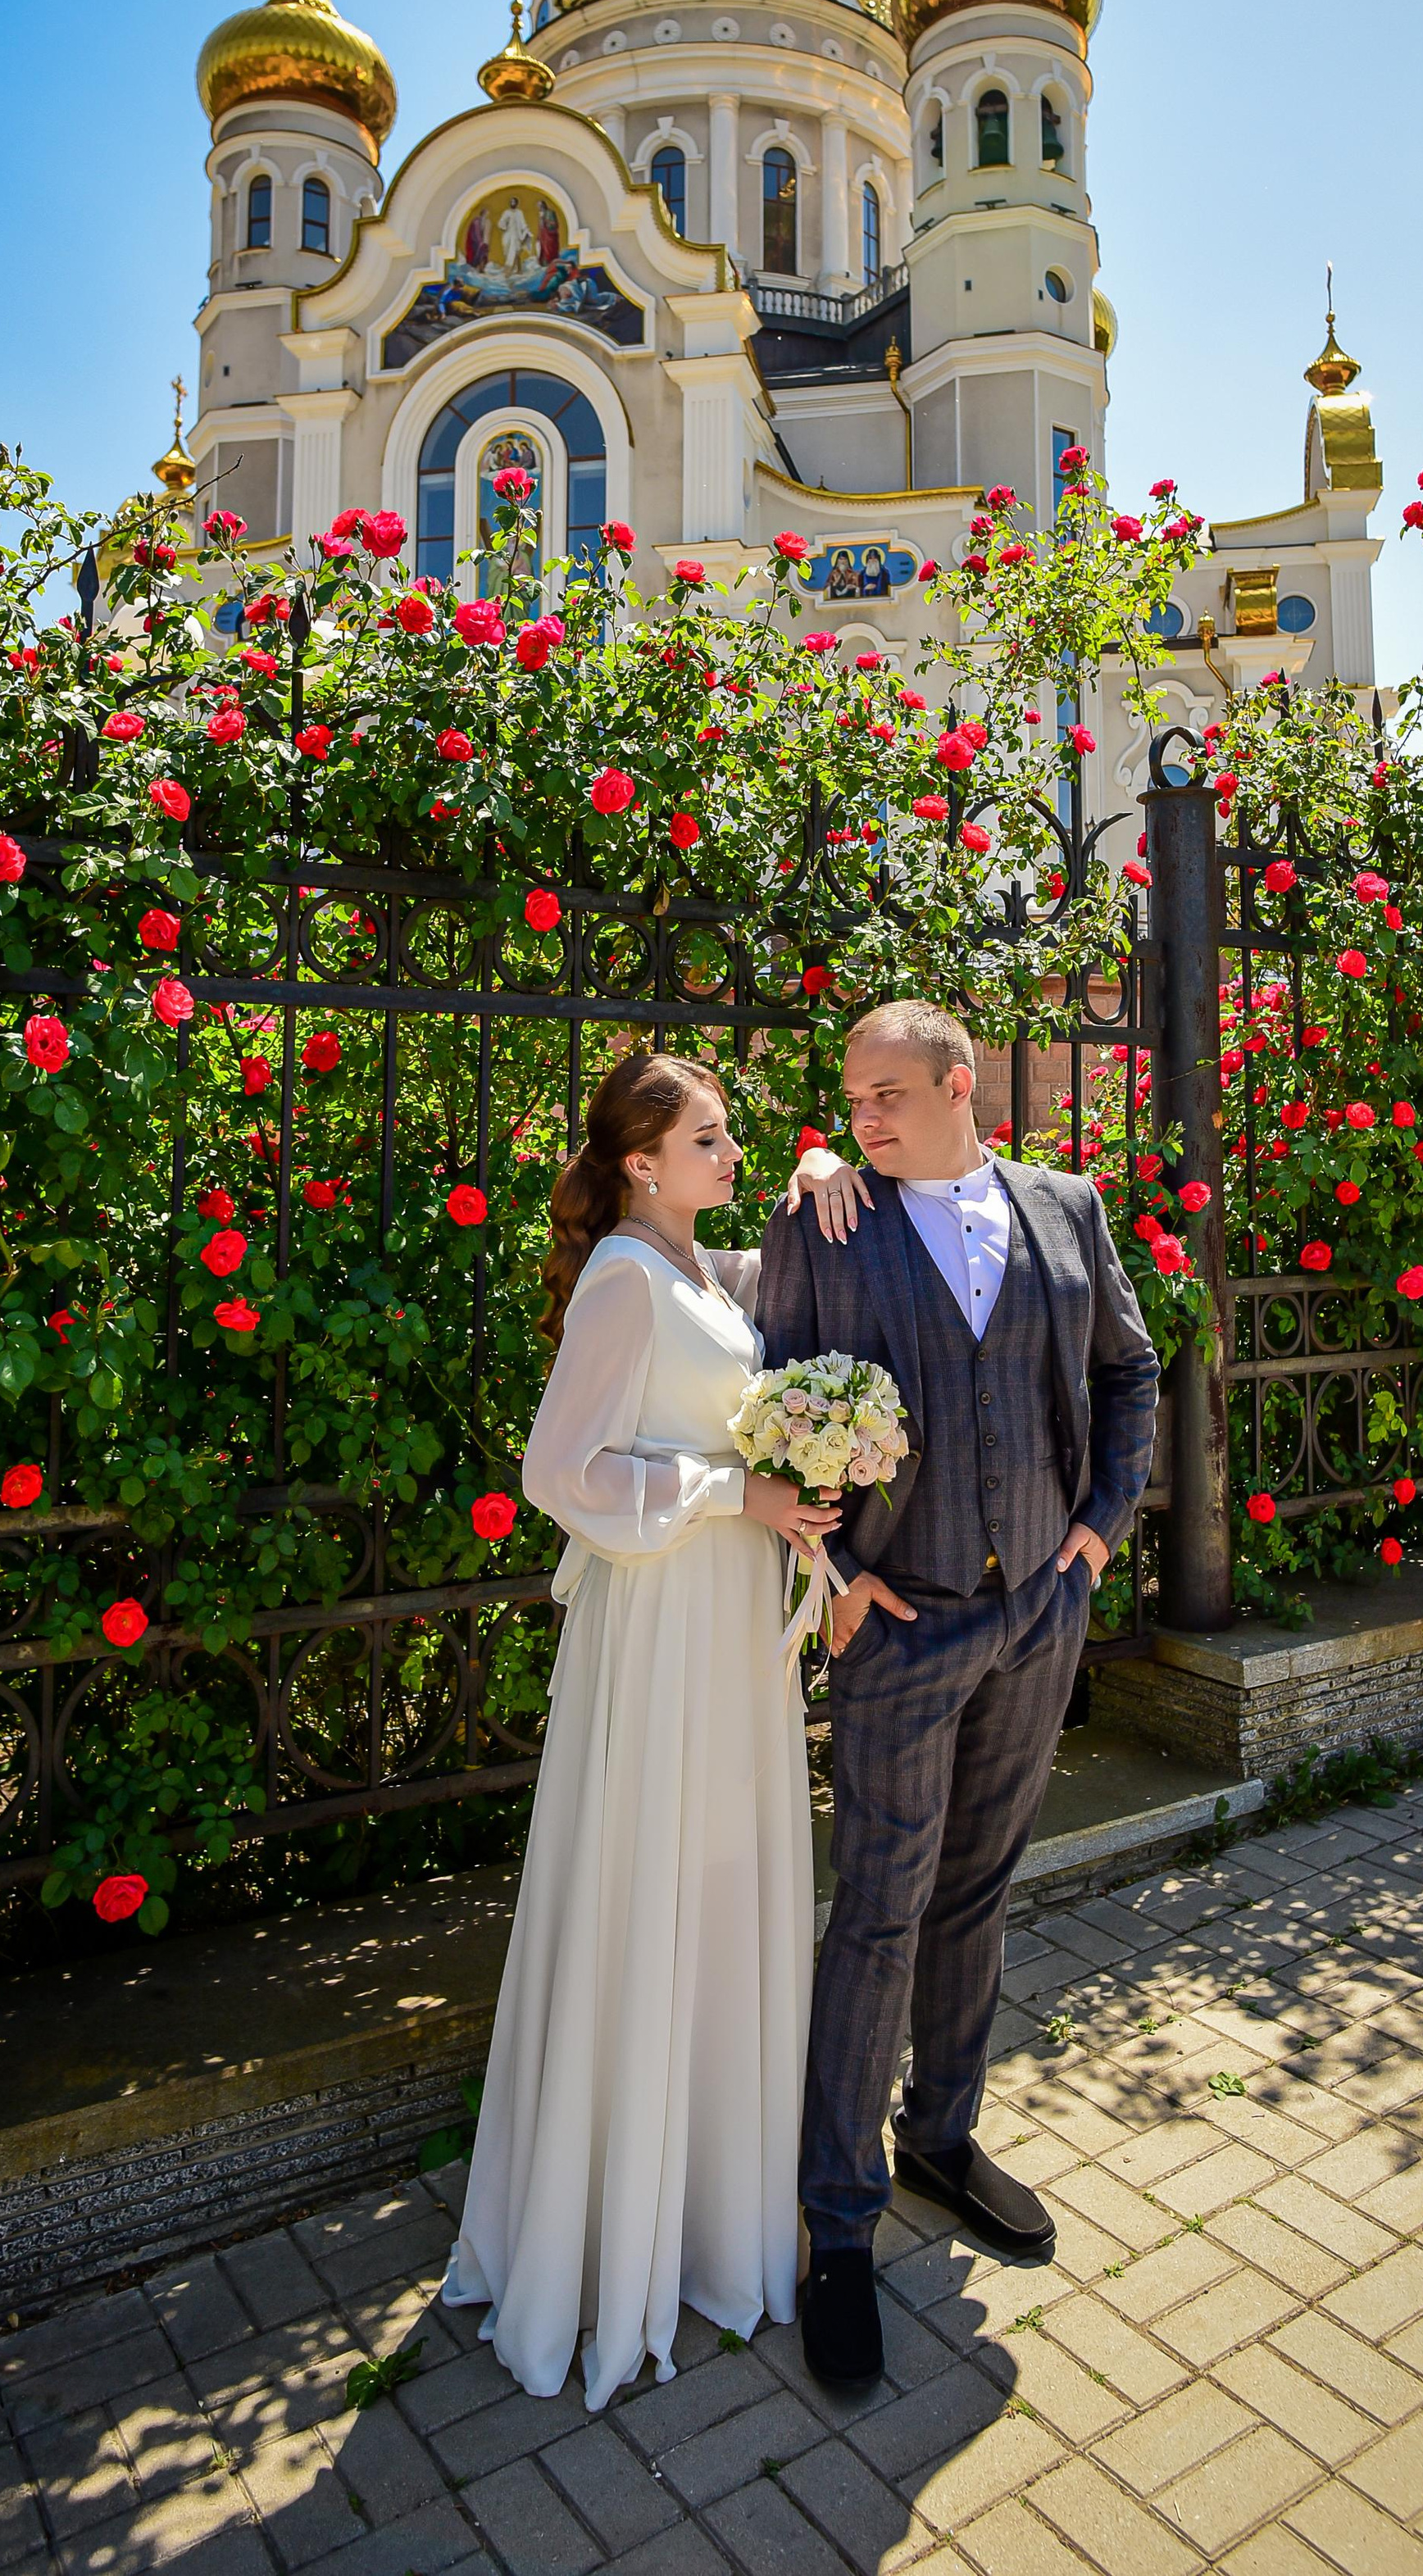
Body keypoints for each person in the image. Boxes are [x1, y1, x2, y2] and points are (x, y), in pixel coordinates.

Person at [442, 1052, 865, 2411]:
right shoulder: (626, 1279)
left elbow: (769, 1267)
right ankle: (621, 2228)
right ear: (639, 1160)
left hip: (726, 1623)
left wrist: (816, 1168)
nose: (732, 1152)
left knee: (720, 1889)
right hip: (667, 1623)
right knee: (657, 1889)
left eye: (732, 1135)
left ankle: (702, 2212)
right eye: (709, 1138)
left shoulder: (691, 1264)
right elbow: (558, 1471)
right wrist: (736, 1495)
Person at [757, 1000, 1161, 2394]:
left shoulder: (1066, 1208)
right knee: (878, 1905)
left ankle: (939, 2135)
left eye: (887, 1092)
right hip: (901, 1627)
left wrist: (1096, 1535)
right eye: (852, 1098)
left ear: (958, 1083)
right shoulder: (825, 1222)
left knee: (980, 1886)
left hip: (1037, 1614)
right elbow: (769, 1405)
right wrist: (832, 1568)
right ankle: (838, 2221)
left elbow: (1129, 1368)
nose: (862, 1116)